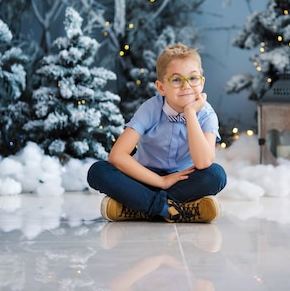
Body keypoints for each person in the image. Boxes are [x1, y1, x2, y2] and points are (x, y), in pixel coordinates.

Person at [87, 43, 227, 223]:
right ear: (161, 88)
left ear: (202, 82)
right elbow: (117, 156)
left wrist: (190, 113)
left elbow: (203, 162)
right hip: (143, 178)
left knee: (216, 175)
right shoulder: (151, 109)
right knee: (98, 171)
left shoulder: (206, 114)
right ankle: (172, 208)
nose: (186, 87)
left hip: (182, 181)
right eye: (176, 80)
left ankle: (139, 206)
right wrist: (161, 182)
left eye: (193, 78)